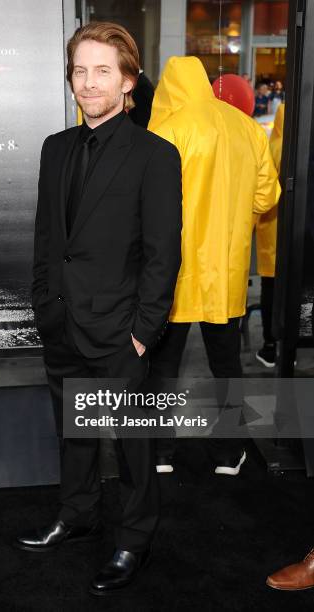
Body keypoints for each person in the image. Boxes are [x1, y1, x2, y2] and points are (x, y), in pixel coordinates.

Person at [16, 22, 182, 596]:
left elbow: (164, 254)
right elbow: (47, 238)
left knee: (133, 447)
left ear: (128, 80)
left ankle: (135, 539)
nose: (88, 84)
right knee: (75, 433)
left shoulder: (155, 155)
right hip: (62, 322)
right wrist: (44, 305)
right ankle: (79, 514)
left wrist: (143, 332)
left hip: (120, 331)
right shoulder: (55, 148)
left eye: (102, 71)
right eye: (80, 71)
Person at [148, 56, 280, 475]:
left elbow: (146, 204)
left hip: (174, 273)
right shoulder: (246, 127)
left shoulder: (165, 130)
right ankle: (228, 454)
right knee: (226, 364)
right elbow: (267, 197)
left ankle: (160, 453)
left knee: (163, 365)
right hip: (226, 270)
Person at [255, 103, 285, 368]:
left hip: (271, 234)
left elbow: (264, 195)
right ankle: (293, 342)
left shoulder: (273, 146)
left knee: (271, 290)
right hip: (300, 238)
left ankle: (270, 345)